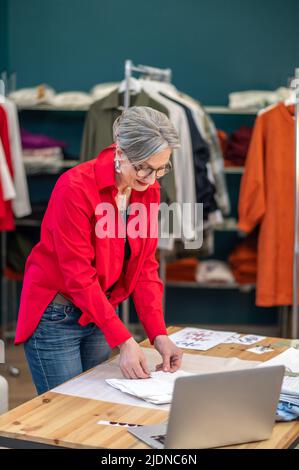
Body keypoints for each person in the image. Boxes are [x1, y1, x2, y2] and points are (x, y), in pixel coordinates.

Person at [15, 106, 183, 394]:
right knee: (66, 415)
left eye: (160, 169)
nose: (151, 179)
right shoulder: (75, 188)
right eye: (143, 167)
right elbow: (78, 275)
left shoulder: (147, 189)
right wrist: (124, 341)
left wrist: (158, 333)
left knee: (95, 406)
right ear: (120, 152)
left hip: (100, 311)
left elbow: (144, 265)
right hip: (57, 316)